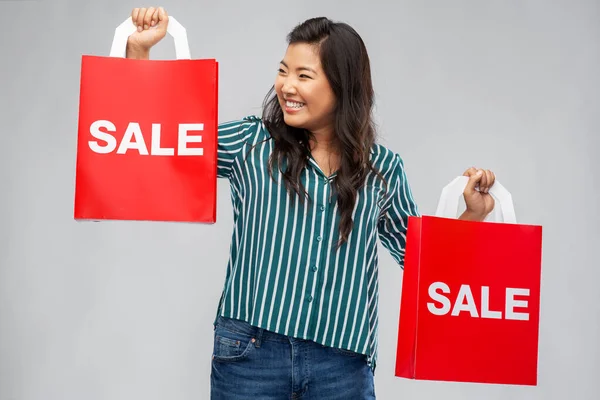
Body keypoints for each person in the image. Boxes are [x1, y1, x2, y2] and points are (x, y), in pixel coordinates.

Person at [125, 6, 497, 399]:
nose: (287, 86)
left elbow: (424, 261)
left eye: (304, 76)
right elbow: (157, 144)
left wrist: (472, 213)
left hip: (341, 364)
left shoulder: (382, 169)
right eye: (284, 71)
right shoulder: (251, 144)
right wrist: (140, 52)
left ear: (343, 86)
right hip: (250, 355)